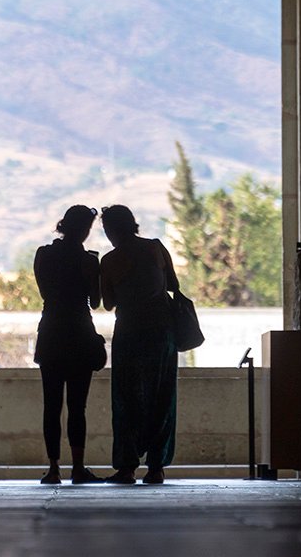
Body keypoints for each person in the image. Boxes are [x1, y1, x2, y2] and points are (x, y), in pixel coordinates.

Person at [99, 205, 179, 484]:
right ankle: (156, 467)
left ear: (110, 230)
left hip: (130, 332)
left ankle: (126, 467)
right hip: (161, 332)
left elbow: (108, 303)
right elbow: (173, 284)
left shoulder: (109, 260)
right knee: (162, 396)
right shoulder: (156, 249)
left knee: (127, 399)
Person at [33, 205, 105, 485]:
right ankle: (77, 467)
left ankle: (53, 468)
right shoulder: (88, 261)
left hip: (51, 332)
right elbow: (96, 302)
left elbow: (44, 292)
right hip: (79, 333)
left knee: (51, 405)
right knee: (77, 406)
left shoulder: (44, 255)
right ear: (85, 229)